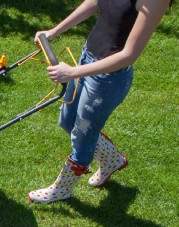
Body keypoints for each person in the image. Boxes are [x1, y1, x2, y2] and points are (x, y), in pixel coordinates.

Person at [28, 0, 171, 204]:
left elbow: (128, 55)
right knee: (67, 121)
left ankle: (63, 189)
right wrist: (54, 31)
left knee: (83, 135)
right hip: (87, 58)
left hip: (107, 80)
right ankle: (111, 160)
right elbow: (95, 2)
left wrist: (72, 72)